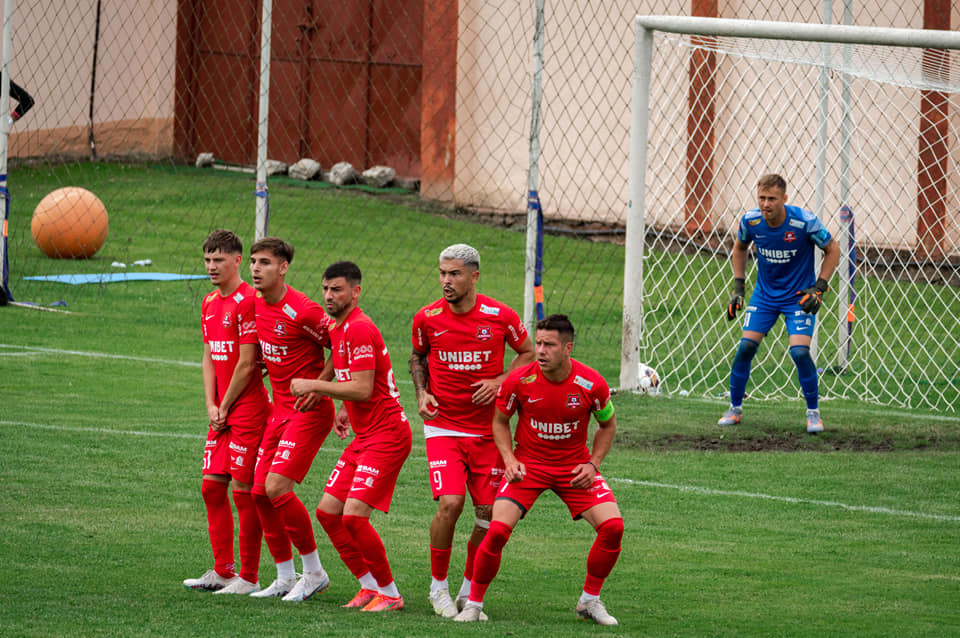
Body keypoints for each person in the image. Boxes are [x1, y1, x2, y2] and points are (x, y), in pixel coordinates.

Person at [453, 314, 624, 626]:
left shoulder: (592, 384)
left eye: (549, 345)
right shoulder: (519, 380)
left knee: (613, 527)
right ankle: (473, 605)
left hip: (574, 469)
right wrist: (509, 459)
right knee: (497, 530)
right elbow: (500, 422)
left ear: (568, 348)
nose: (540, 350)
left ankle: (590, 600)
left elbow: (608, 424)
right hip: (528, 466)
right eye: (539, 343)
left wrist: (593, 464)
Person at [409, 243, 534, 618]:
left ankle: (467, 589)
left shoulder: (501, 316)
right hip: (443, 427)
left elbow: (527, 353)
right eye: (442, 273)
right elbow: (418, 355)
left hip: (488, 432)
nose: (446, 281)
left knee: (487, 515)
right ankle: (438, 588)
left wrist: (500, 380)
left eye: (455, 274)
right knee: (451, 504)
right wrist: (421, 392)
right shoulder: (427, 317)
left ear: (474, 276)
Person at [290, 261, 412, 612]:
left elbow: (362, 387)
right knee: (328, 512)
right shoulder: (336, 325)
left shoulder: (359, 328)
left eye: (337, 290)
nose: (329, 296)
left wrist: (314, 384)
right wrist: (338, 401)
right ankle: (368, 585)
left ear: (355, 292)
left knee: (354, 516)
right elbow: (341, 362)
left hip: (387, 435)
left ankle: (390, 594)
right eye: (325, 289)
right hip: (365, 435)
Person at [247, 237, 337, 601]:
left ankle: (314, 572)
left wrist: (322, 385)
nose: (255, 268)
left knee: (277, 488)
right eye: (253, 262)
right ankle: (285, 576)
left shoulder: (303, 310)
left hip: (309, 411)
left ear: (283, 268)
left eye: (265, 262)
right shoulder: (257, 301)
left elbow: (342, 344)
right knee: (258, 492)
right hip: (279, 411)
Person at [183, 230, 270, 594]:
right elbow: (208, 355)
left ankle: (249, 577)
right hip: (221, 410)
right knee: (210, 488)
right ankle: (222, 570)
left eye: (218, 260)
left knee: (243, 491)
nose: (211, 267)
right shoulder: (208, 302)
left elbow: (249, 363)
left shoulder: (249, 301)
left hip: (247, 409)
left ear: (237, 261)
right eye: (207, 260)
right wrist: (210, 404)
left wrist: (226, 404)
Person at [720, 173, 840, 433]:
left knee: (799, 352)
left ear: (784, 199)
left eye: (772, 199)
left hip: (798, 298)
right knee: (745, 348)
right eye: (762, 198)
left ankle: (813, 413)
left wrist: (819, 288)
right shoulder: (750, 221)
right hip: (764, 296)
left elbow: (833, 249)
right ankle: (734, 408)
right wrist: (738, 289)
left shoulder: (804, 222)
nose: (766, 204)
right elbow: (740, 248)